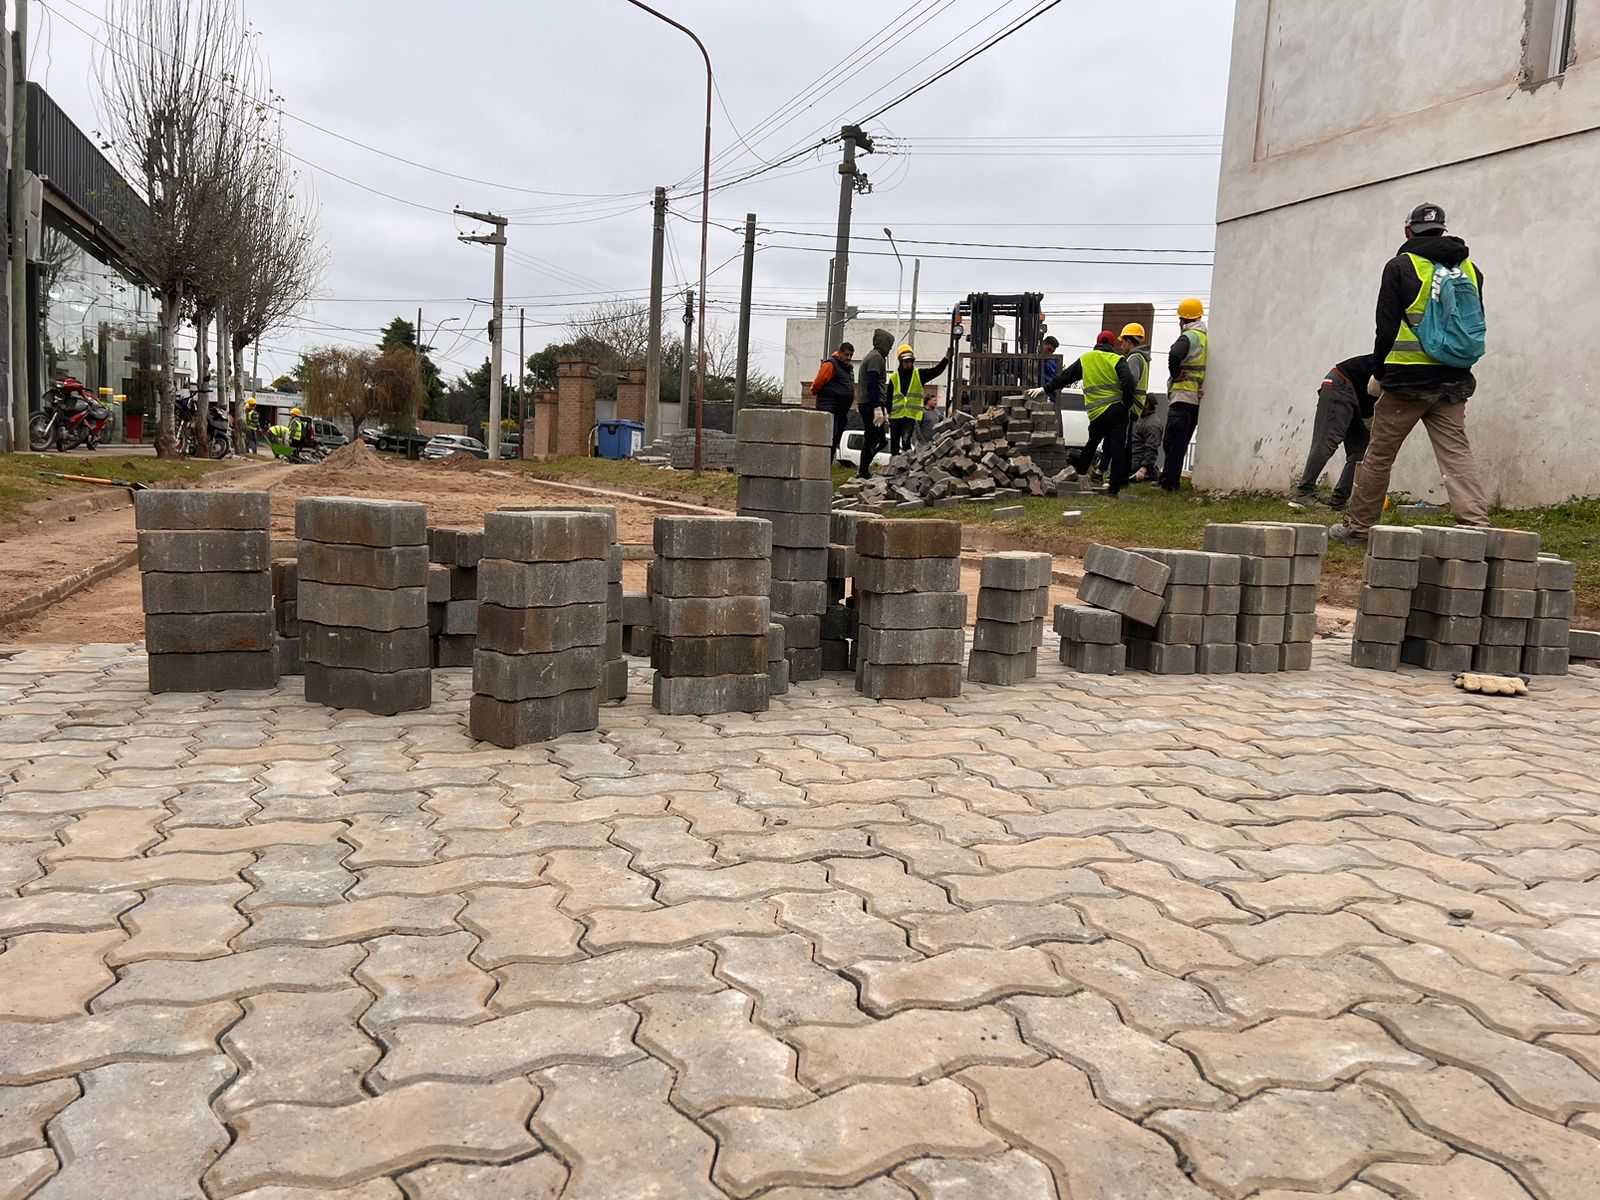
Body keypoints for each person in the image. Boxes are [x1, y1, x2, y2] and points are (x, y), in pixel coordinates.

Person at [1333, 203, 1490, 543]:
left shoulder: (1401, 267)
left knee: (1379, 456)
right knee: (1456, 453)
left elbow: (1386, 326)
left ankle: (1359, 528)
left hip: (1407, 381)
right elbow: (1474, 325)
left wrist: (1378, 372)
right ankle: (1476, 524)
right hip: (1453, 380)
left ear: (1409, 231)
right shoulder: (1471, 269)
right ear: (1443, 230)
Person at [1027, 331, 1138, 499]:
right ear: (1112, 345)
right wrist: (1126, 404)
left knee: (1091, 444)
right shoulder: (1117, 359)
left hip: (1097, 413)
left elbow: (1064, 377)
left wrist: (1044, 389)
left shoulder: (1087, 359)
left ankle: (1077, 477)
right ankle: (1114, 488)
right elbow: (1128, 381)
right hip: (1117, 411)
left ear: (1097, 342)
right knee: (1117, 449)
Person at [1289, 355, 1375, 511]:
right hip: (1340, 382)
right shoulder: (1398, 366)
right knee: (1326, 441)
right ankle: (1302, 494)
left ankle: (1338, 500)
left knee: (1360, 450)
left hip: (1359, 394)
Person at [1159, 299, 1207, 491]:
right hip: (1194, 399)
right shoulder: (1204, 336)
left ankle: (1169, 483)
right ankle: (1169, 480)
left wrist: (1177, 374)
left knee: (1172, 441)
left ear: (1183, 319)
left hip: (1182, 396)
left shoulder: (1189, 336)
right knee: (1181, 442)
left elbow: (1174, 355)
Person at [887, 343, 950, 457]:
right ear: (901, 361)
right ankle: (894, 468)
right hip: (895, 416)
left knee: (906, 443)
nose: (908, 364)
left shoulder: (918, 374)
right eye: (906, 361)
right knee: (894, 446)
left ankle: (905, 467)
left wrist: (946, 359)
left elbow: (936, 371)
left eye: (910, 361)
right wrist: (886, 413)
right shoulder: (894, 377)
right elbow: (889, 397)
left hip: (910, 416)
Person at [854, 328, 894, 479]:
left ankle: (864, 469)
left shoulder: (874, 356)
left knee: (881, 440)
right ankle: (863, 471)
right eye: (889, 345)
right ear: (883, 343)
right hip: (871, 403)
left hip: (872, 403)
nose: (890, 348)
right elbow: (872, 382)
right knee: (872, 438)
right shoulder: (876, 358)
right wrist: (877, 407)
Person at [809, 342, 855, 463]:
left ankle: (826, 468)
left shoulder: (847, 369)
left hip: (840, 412)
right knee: (828, 440)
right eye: (846, 355)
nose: (849, 358)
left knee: (834, 441)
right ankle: (822, 467)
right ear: (840, 353)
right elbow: (817, 384)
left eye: (851, 355)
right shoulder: (830, 365)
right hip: (829, 410)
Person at [1129, 398, 1163, 481]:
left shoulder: (1153, 424)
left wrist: (1144, 468)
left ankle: (1149, 474)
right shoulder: (1142, 419)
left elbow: (1151, 447)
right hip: (1132, 461)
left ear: (1147, 405)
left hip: (1137, 464)